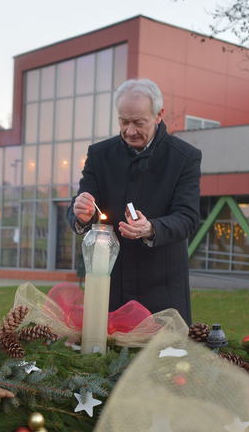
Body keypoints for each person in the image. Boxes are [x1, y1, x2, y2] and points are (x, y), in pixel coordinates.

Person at [67, 78, 201, 324]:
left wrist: (151, 228)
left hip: (163, 291)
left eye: (139, 123)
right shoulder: (99, 155)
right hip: (109, 284)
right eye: (123, 121)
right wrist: (80, 215)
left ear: (158, 115)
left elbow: (188, 218)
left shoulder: (184, 158)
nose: (129, 131)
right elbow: (79, 206)